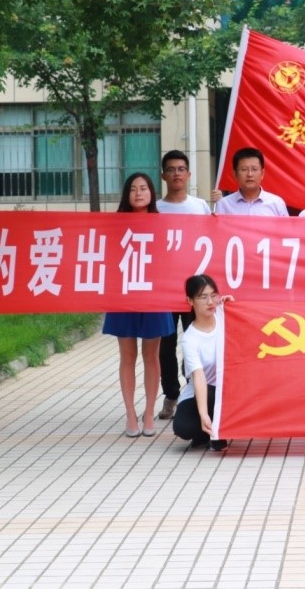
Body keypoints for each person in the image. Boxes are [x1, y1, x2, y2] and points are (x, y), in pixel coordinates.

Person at [102, 172, 175, 437]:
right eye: (133, 189)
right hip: (123, 295)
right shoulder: (115, 224)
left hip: (154, 296)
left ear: (151, 192)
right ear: (127, 194)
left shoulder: (162, 223)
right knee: (128, 356)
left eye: (143, 188)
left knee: (152, 355)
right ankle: (130, 413)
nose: (138, 193)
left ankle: (149, 412)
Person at [154, 150, 211, 421]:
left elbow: (213, 238)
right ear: (163, 175)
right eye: (171, 169)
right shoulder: (155, 209)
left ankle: (192, 391)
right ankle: (171, 394)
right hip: (164, 288)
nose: (176, 173)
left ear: (188, 174)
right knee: (165, 345)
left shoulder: (201, 206)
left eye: (181, 169)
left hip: (195, 288)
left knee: (194, 341)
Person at [172, 274, 232, 451]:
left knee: (220, 392)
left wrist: (235, 307)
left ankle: (219, 431)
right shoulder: (190, 338)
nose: (210, 302)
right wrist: (203, 414)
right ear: (190, 301)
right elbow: (198, 376)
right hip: (204, 391)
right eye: (203, 297)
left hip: (230, 388)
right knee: (183, 427)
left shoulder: (224, 314)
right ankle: (207, 429)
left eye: (214, 295)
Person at [211, 147, 289, 216]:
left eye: (254, 169)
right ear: (235, 174)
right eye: (244, 169)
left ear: (262, 174)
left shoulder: (276, 203)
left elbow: (287, 228)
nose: (250, 174)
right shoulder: (224, 204)